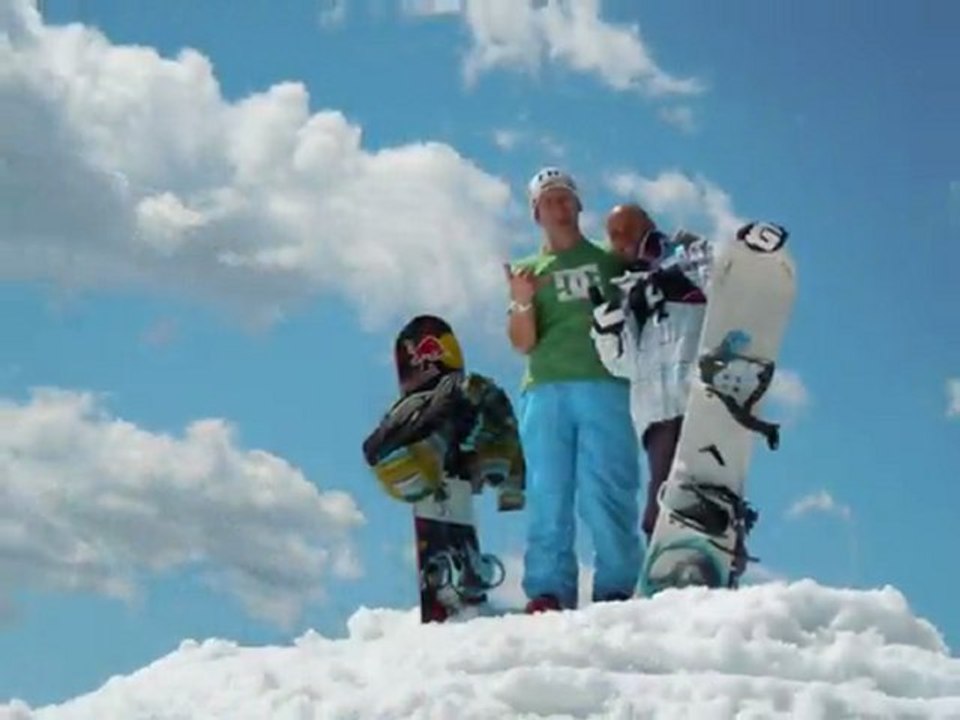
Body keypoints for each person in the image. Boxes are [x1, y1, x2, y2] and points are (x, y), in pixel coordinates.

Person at [505, 167, 641, 613]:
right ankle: (548, 589)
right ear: (536, 213)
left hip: (605, 384)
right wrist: (523, 299)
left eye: (566, 199)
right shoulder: (530, 271)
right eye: (549, 201)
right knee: (548, 490)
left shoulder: (609, 260)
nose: (559, 207)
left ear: (580, 206)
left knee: (607, 486)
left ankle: (618, 585)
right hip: (545, 388)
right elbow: (523, 343)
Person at [361, 314, 525, 621]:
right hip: (440, 452)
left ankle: (454, 573)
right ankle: (461, 573)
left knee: (463, 409)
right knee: (476, 399)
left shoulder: (413, 405)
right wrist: (507, 483)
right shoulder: (470, 388)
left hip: (417, 464)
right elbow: (503, 427)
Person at [589, 203, 713, 541]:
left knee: (705, 485)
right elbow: (623, 364)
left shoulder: (688, 254)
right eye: (613, 235)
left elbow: (723, 287)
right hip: (656, 411)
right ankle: (671, 565)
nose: (622, 240)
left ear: (648, 223)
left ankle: (714, 553)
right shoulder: (630, 291)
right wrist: (604, 332)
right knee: (661, 502)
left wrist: (680, 267)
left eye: (627, 228)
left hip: (695, 396)